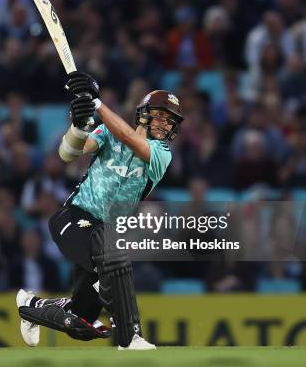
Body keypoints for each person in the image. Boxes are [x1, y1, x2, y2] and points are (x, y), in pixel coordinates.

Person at [15, 72, 184, 350]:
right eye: (161, 116)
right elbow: (67, 154)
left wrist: (96, 104)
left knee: (80, 321)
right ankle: (130, 339)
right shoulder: (106, 133)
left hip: (103, 236)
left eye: (170, 121)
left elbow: (131, 139)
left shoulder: (162, 153)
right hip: (74, 219)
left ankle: (31, 307)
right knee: (114, 251)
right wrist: (79, 128)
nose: (166, 124)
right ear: (143, 114)